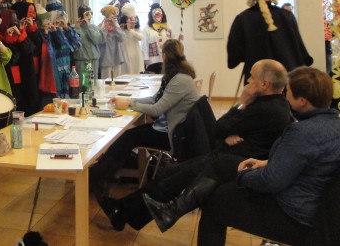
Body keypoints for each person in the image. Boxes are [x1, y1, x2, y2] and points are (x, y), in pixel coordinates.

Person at [98, 59, 291, 231]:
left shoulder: (263, 109)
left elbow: (218, 128)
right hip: (223, 158)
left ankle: (121, 212)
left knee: (170, 182)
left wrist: (242, 103)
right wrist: (227, 133)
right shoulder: (275, 104)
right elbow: (221, 131)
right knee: (168, 175)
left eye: (252, 77)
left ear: (264, 84)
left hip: (227, 165)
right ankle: (123, 213)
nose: (247, 81)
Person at [195, 66, 340, 246]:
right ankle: (174, 205)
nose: (285, 95)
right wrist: (267, 163)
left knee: (215, 200)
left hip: (295, 213)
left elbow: (271, 181)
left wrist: (242, 175)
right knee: (223, 169)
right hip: (316, 209)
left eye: (289, 92)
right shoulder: (334, 125)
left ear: (302, 101)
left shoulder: (302, 132)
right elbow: (312, 164)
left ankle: (174, 204)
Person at [90, 39, 199, 198]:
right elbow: (155, 99)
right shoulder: (177, 76)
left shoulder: (179, 80)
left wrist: (130, 105)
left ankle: (98, 177)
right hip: (168, 128)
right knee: (127, 136)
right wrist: (129, 101)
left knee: (127, 137)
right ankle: (103, 175)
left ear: (164, 55)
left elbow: (157, 108)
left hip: (173, 135)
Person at [227, 0, 312, 83]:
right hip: (284, 78)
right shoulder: (286, 16)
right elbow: (297, 46)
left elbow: (234, 54)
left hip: (256, 79)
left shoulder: (242, 18)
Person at [141, 3, 176, 74]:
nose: (158, 16)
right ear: (152, 15)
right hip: (153, 60)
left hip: (167, 59)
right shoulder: (146, 28)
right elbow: (144, 44)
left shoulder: (167, 27)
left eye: (160, 14)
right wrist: (146, 58)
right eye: (156, 15)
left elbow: (173, 40)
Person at [73, 4, 105, 82]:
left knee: (94, 86)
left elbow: (97, 40)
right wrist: (76, 29)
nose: (90, 16)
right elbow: (74, 43)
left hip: (94, 61)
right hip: (82, 62)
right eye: (87, 14)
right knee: (84, 86)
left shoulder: (93, 27)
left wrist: (88, 26)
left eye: (91, 13)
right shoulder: (74, 27)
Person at [98, 3, 125, 79]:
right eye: (113, 14)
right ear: (107, 14)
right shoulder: (101, 26)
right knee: (106, 80)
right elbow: (101, 40)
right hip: (106, 58)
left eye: (116, 14)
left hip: (117, 57)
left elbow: (122, 38)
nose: (115, 16)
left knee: (118, 80)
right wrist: (105, 28)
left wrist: (116, 26)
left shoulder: (117, 26)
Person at [119, 2, 144, 75]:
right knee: (127, 72)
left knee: (136, 72)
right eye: (130, 19)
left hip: (136, 53)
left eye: (134, 18)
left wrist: (131, 30)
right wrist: (125, 29)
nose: (133, 21)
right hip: (126, 52)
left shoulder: (136, 29)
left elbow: (141, 37)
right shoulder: (122, 29)